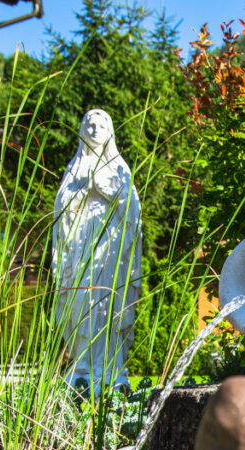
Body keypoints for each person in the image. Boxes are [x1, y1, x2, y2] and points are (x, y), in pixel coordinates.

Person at [53, 109, 141, 393]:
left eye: (100, 126)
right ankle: (82, 364)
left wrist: (107, 192)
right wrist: (81, 192)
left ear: (109, 132)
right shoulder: (75, 167)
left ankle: (111, 366)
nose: (94, 130)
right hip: (80, 247)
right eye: (89, 125)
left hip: (111, 249)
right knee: (81, 300)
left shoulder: (119, 168)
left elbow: (134, 211)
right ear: (82, 131)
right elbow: (61, 209)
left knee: (108, 301)